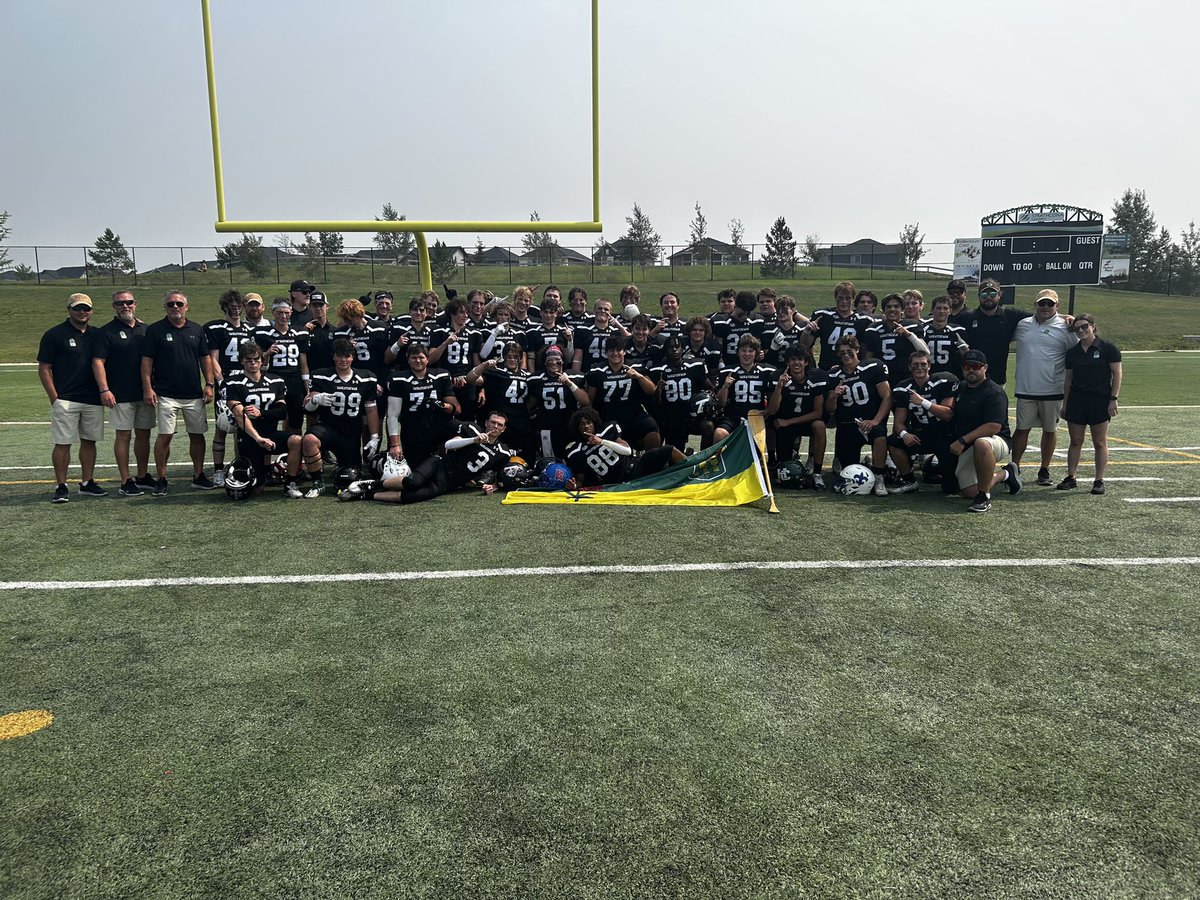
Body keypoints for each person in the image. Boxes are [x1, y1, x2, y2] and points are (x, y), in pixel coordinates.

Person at [140, 290, 216, 495]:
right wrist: (148, 388)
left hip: (193, 394)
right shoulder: (155, 330)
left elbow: (205, 359)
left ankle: (198, 476)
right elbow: (147, 361)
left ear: (186, 307)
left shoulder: (197, 330)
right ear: (165, 307)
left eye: (179, 304)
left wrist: (209, 384)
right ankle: (161, 478)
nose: (175, 307)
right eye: (171, 304)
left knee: (197, 435)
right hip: (165, 394)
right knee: (164, 436)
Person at [352, 411, 513, 504]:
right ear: (486, 422)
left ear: (504, 429)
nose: (495, 427)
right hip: (440, 464)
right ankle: (373, 484)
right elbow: (449, 445)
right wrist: (474, 440)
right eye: (493, 422)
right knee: (413, 482)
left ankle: (366, 495)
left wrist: (494, 486)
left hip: (449, 482)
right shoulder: (473, 429)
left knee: (412, 497)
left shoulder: (502, 452)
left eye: (499, 425)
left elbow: (501, 475)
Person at [288, 337, 380, 498]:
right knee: (309, 439)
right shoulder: (321, 376)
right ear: (334, 356)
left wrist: (374, 437)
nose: (343, 360)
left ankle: (338, 468)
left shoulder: (367, 378)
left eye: (347, 356)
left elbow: (371, 410)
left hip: (350, 433)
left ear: (352, 357)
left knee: (352, 475)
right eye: (340, 355)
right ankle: (318, 482)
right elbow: (307, 406)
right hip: (327, 428)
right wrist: (315, 400)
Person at [38, 292, 105, 502]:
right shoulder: (54, 334)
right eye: (78, 308)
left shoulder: (98, 334)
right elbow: (44, 368)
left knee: (89, 442)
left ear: (91, 311)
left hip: (93, 398)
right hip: (66, 398)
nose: (82, 312)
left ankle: (87, 482)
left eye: (86, 308)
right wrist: (54, 397)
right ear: (69, 310)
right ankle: (61, 485)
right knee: (63, 443)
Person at [92, 290, 156, 496]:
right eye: (120, 303)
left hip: (145, 392)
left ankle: (143, 475)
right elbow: (98, 362)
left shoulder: (146, 329)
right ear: (114, 306)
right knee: (124, 435)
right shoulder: (106, 332)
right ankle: (125, 479)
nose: (125, 306)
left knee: (144, 435)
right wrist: (105, 389)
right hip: (120, 394)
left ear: (135, 304)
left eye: (128, 302)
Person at [940, 349, 1021, 513]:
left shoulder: (994, 392)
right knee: (968, 492)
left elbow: (993, 426)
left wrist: (962, 440)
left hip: (995, 439)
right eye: (967, 366)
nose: (970, 370)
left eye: (975, 366)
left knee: (981, 443)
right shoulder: (960, 387)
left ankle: (984, 496)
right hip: (968, 443)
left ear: (985, 368)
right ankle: (1005, 474)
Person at [1012, 289, 1078, 486]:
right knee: (1021, 429)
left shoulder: (1066, 327)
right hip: (1025, 387)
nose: (1046, 307)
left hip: (1053, 389)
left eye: (1050, 304)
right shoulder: (1022, 325)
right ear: (1036, 304)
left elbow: (1075, 354)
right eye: (1042, 303)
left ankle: (1044, 469)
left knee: (1050, 430)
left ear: (1057, 306)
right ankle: (1014, 467)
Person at [1058, 313, 1123, 494]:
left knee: (1099, 442)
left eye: (1084, 326)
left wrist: (1113, 399)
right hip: (1077, 400)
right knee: (1075, 441)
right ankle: (1071, 477)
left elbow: (1117, 374)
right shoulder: (1072, 352)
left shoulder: (1108, 348)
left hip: (1099, 400)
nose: (1081, 331)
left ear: (1093, 326)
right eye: (1077, 328)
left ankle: (1099, 480)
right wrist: (1065, 404)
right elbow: (1068, 380)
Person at [887, 349, 958, 494]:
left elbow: (948, 414)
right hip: (922, 435)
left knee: (950, 489)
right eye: (915, 364)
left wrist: (923, 402)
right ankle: (909, 480)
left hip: (946, 437)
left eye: (923, 364)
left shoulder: (943, 381)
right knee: (893, 441)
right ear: (909, 367)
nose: (919, 367)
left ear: (929, 366)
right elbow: (898, 422)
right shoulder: (904, 388)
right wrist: (905, 434)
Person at [826, 335, 890, 495]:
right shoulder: (834, 375)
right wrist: (834, 396)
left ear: (857, 350)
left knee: (880, 436)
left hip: (870, 422)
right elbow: (829, 409)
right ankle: (869, 463)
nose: (845, 355)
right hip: (847, 426)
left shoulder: (873, 367)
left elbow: (888, 397)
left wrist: (875, 421)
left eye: (849, 351)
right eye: (841, 353)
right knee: (849, 470)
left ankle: (879, 474)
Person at [203, 289, 255, 482]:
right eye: (231, 306)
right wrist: (220, 382)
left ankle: (242, 465)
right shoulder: (217, 328)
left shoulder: (249, 330)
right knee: (223, 426)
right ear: (224, 307)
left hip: (245, 381)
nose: (235, 310)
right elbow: (212, 358)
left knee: (245, 425)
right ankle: (218, 471)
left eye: (238, 306)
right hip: (227, 380)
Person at [223, 342, 289, 492]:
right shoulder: (232, 383)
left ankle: (291, 482)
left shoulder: (275, 380)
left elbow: (283, 412)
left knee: (298, 441)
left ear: (262, 360)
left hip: (271, 433)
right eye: (248, 360)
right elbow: (240, 416)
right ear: (241, 362)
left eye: (256, 359)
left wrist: (262, 413)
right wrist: (258, 438)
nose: (253, 363)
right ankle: (261, 473)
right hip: (249, 437)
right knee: (257, 488)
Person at [386, 344, 459, 469]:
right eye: (414, 358)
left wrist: (442, 405)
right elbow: (392, 415)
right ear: (407, 359)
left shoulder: (440, 376)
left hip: (439, 429)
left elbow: (456, 409)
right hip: (413, 432)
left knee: (443, 469)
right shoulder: (399, 379)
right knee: (416, 470)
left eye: (421, 357)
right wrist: (395, 445)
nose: (418, 361)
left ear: (427, 359)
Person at [766, 345, 828, 489]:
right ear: (787, 362)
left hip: (804, 421)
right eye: (792, 359)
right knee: (784, 469)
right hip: (785, 425)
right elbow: (773, 410)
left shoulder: (817, 377)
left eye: (800, 359)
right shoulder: (778, 377)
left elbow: (818, 412)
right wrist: (779, 387)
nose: (796, 363)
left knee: (819, 425)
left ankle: (817, 473)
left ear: (806, 362)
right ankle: (783, 459)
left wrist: (789, 421)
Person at [585, 335, 662, 450]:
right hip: (608, 415)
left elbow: (652, 391)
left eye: (618, 350)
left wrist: (639, 377)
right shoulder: (597, 370)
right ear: (606, 353)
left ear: (624, 352)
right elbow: (590, 400)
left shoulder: (635, 366)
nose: (615, 353)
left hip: (633, 413)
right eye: (611, 350)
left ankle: (651, 463)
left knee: (651, 426)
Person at [466, 341, 538, 459]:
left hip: (521, 422)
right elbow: (470, 378)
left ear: (520, 359)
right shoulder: (496, 373)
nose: (512, 360)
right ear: (504, 357)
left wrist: (526, 411)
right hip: (502, 422)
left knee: (525, 454)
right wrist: (484, 365)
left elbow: (533, 397)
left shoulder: (528, 376)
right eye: (509, 357)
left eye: (516, 357)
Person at [255, 297, 310, 438]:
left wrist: (307, 388)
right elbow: (258, 365)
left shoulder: (300, 332)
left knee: (296, 422)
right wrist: (267, 354)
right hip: (273, 380)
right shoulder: (263, 333)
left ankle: (294, 456)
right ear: (273, 313)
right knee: (269, 419)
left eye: (286, 312)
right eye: (279, 313)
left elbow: (303, 364)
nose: (283, 316)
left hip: (294, 380)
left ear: (291, 312)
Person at [649, 335, 714, 453]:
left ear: (683, 349)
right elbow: (655, 404)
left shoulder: (695, 366)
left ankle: (705, 457)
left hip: (693, 416)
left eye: (677, 347)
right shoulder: (658, 370)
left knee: (708, 426)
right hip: (672, 418)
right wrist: (658, 390)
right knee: (676, 456)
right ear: (665, 350)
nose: (674, 350)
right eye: (670, 347)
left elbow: (710, 388)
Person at [961, 278, 1030, 386]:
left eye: (992, 294)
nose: (988, 298)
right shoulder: (968, 317)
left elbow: (1040, 315)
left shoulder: (1009, 315)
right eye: (984, 295)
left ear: (999, 295)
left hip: (998, 380)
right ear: (979, 296)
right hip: (971, 379)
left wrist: (1064, 317)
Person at [528, 345, 590, 457]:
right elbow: (531, 403)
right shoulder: (535, 379)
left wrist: (570, 384)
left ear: (563, 360)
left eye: (557, 360)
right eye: (550, 360)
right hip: (547, 427)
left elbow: (585, 401)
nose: (553, 363)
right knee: (549, 459)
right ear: (545, 362)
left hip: (570, 426)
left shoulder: (575, 375)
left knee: (572, 457)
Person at [713, 334, 776, 444]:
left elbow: (772, 399)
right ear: (738, 352)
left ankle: (771, 458)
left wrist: (766, 411)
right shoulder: (728, 371)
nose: (747, 354)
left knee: (772, 428)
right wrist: (725, 387)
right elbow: (721, 403)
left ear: (756, 353)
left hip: (757, 418)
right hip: (734, 416)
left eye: (751, 351)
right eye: (743, 350)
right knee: (719, 433)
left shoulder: (767, 371)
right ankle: (718, 461)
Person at [427, 298, 483, 419]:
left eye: (467, 312)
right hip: (447, 381)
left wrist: (481, 387)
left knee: (467, 418)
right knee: (445, 418)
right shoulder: (440, 331)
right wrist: (446, 343)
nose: (465, 315)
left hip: (468, 382)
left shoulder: (474, 334)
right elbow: (430, 360)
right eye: (461, 312)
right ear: (452, 314)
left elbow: (476, 362)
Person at [801, 281, 876, 371]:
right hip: (827, 368)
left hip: (852, 370)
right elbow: (805, 344)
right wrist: (807, 331)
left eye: (847, 298)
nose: (844, 301)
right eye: (840, 298)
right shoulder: (823, 316)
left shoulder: (863, 320)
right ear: (835, 297)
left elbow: (866, 352)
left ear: (853, 298)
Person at [860, 293, 930, 387]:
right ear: (883, 310)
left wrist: (909, 335)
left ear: (902, 309)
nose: (892, 309)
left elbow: (925, 351)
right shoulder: (873, 329)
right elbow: (869, 355)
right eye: (889, 307)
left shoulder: (912, 325)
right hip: (882, 377)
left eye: (896, 306)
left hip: (906, 376)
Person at [917, 295, 971, 376]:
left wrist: (964, 348)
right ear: (932, 310)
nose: (942, 311)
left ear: (950, 311)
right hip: (928, 375)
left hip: (951, 375)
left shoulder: (958, 331)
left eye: (945, 308)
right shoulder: (923, 330)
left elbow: (967, 357)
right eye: (938, 308)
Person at [570, 298, 626, 373]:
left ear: (611, 313)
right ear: (594, 311)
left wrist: (620, 327)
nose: (602, 311)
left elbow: (629, 340)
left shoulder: (616, 332)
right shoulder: (583, 330)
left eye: (606, 309)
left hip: (608, 373)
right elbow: (578, 357)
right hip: (588, 371)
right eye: (599, 308)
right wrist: (576, 375)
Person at [711, 290, 763, 367]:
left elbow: (758, 343)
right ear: (736, 306)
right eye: (742, 313)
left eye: (748, 313)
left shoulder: (757, 320)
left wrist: (760, 352)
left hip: (750, 366)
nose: (745, 316)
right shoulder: (721, 322)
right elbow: (718, 347)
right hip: (729, 363)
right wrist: (721, 363)